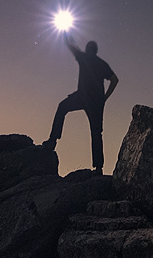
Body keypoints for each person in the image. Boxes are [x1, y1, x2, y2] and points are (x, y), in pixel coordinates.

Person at [45, 33, 119, 172]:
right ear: (95, 51)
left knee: (62, 107)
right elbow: (115, 80)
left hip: (82, 96)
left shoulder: (84, 57)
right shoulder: (102, 63)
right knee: (96, 133)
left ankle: (52, 141)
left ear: (87, 49)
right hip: (96, 101)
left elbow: (72, 46)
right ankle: (98, 168)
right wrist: (104, 98)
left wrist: (66, 34)